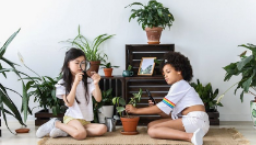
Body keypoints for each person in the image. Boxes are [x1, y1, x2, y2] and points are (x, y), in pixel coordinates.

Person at [126, 52, 209, 145]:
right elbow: (169, 115)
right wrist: (156, 107)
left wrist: (135, 110)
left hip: (196, 121)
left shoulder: (180, 85)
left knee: (152, 131)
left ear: (179, 70)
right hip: (195, 121)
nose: (165, 75)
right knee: (151, 125)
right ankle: (192, 134)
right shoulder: (180, 86)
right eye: (164, 73)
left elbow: (162, 108)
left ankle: (190, 136)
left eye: (168, 71)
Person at [36, 48, 107, 139]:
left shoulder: (88, 81)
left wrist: (96, 83)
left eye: (83, 63)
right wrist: (75, 84)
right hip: (71, 118)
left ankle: (66, 131)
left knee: (102, 128)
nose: (80, 66)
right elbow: (69, 103)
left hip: (85, 120)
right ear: (68, 64)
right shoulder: (63, 83)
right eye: (77, 63)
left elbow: (98, 99)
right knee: (81, 135)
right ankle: (56, 123)